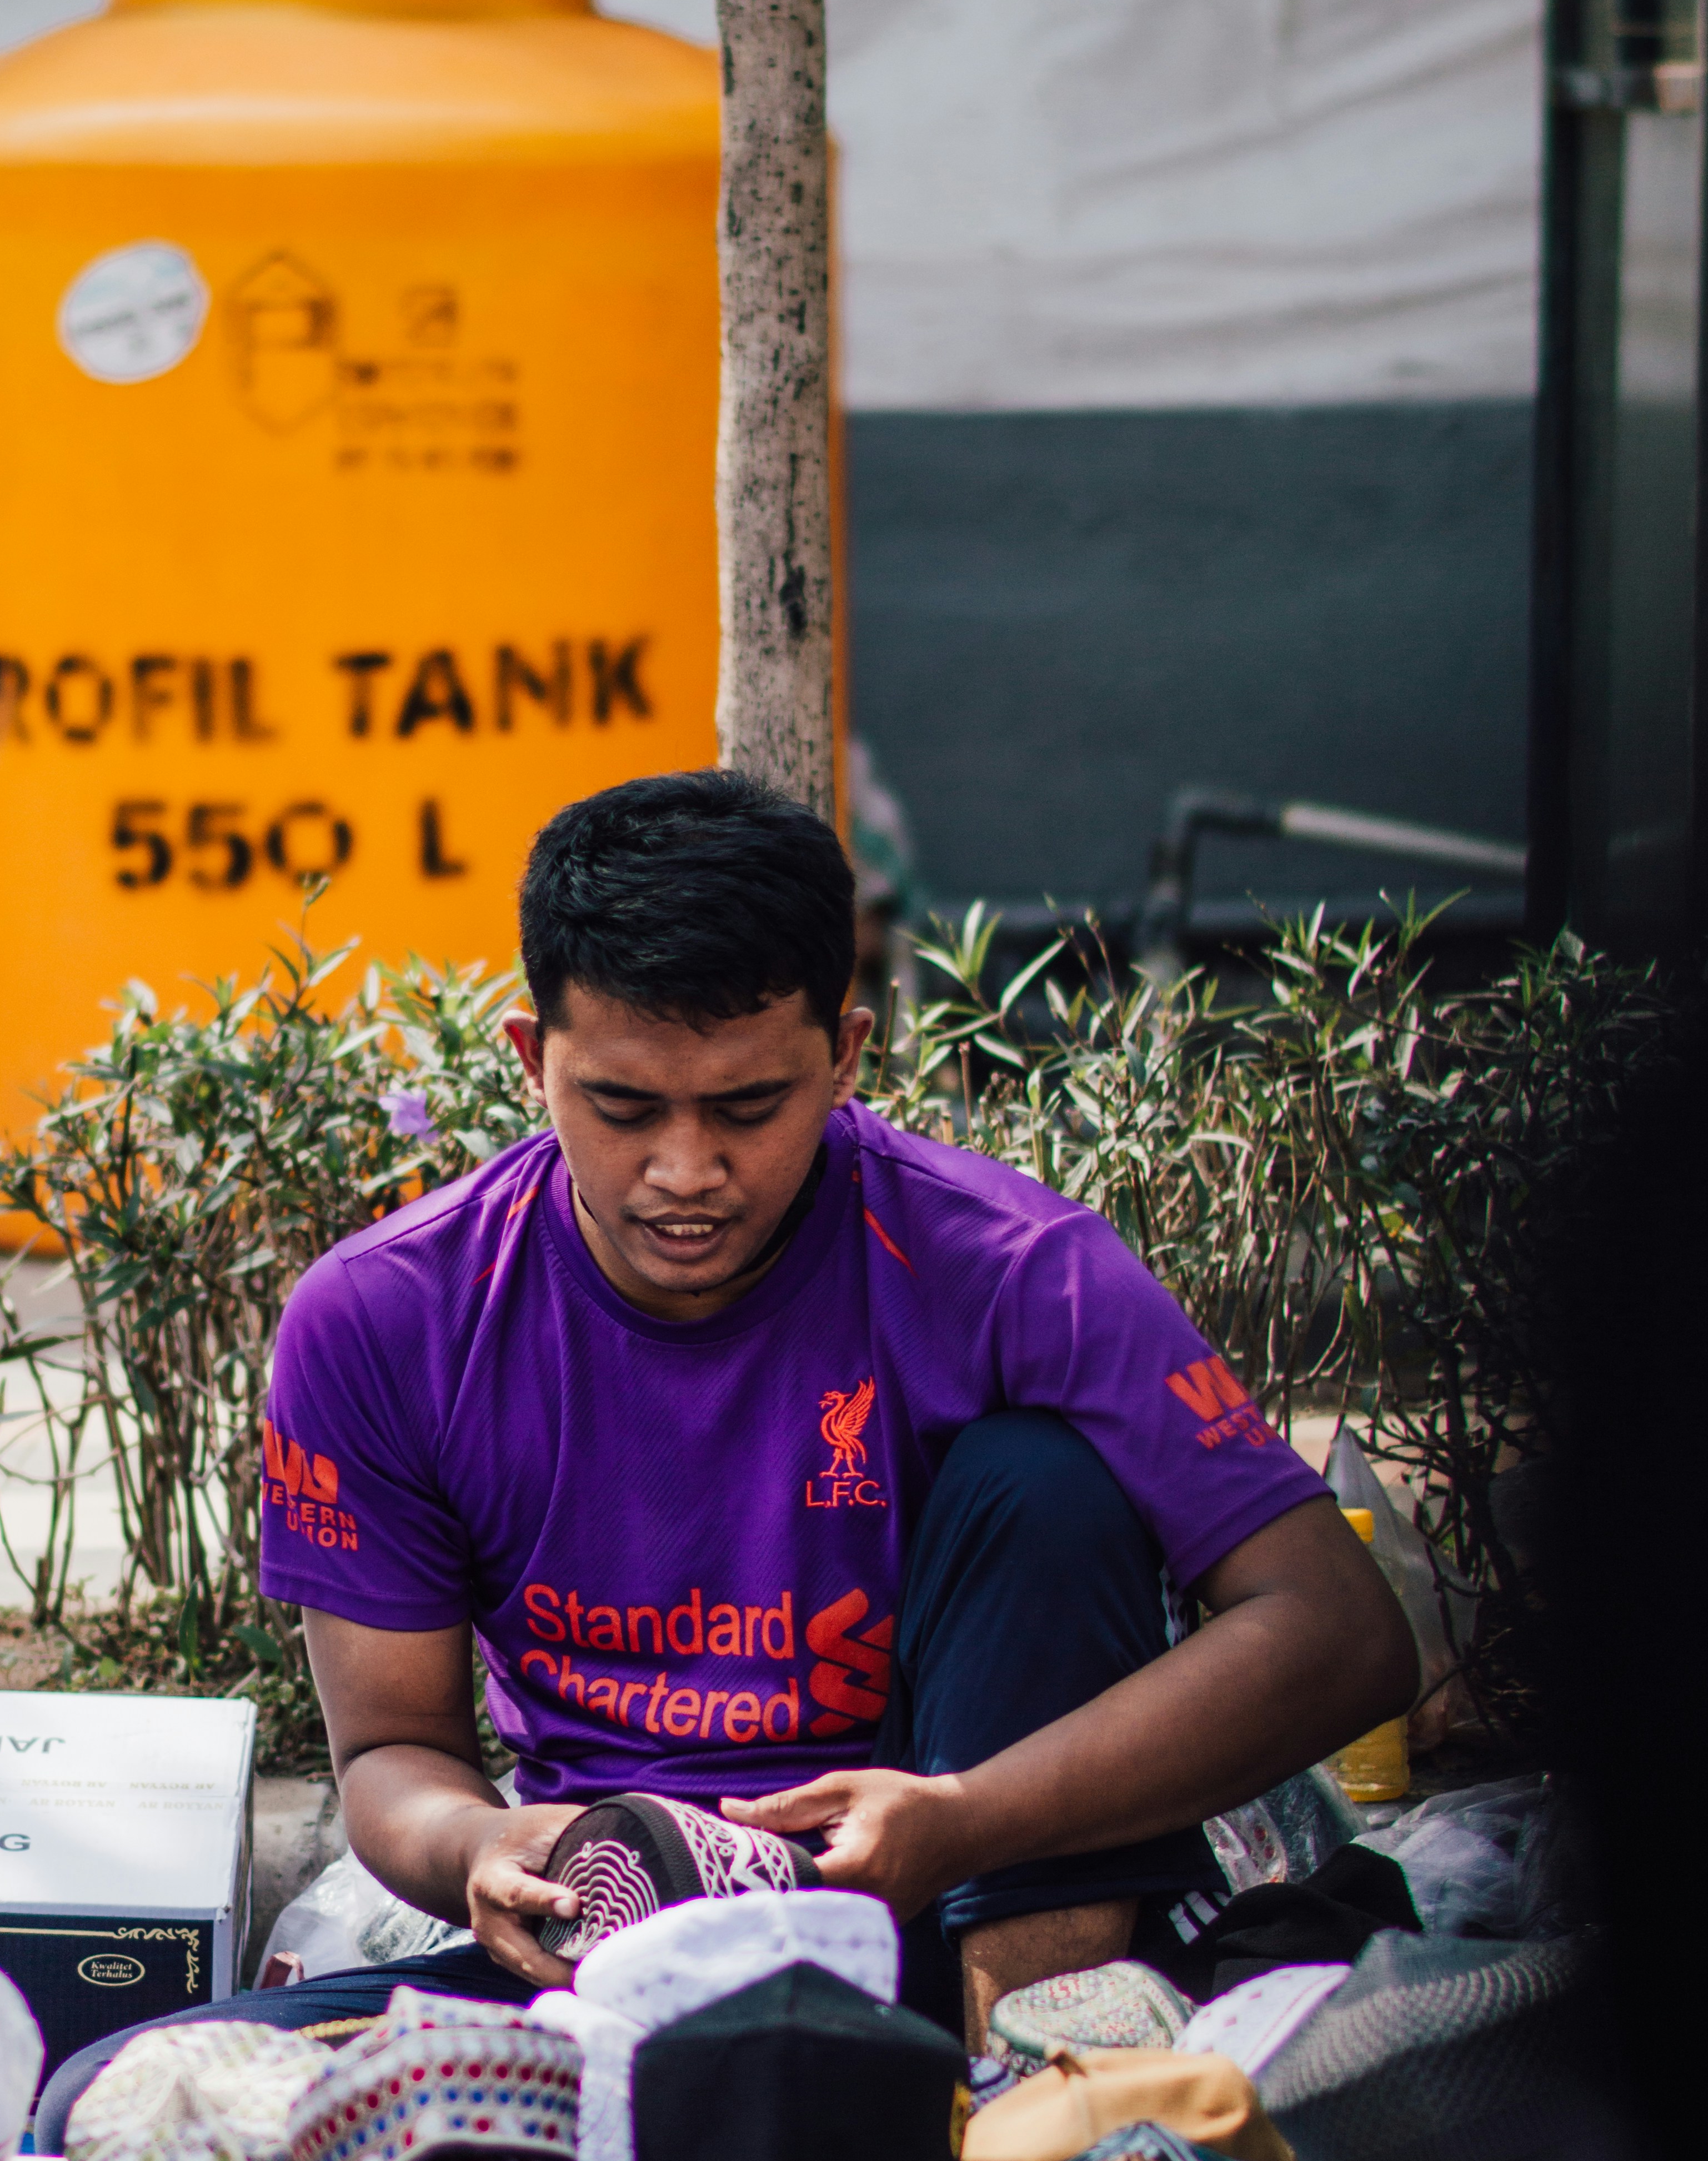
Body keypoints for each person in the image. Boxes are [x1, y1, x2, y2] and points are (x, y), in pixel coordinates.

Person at [258, 770, 1414, 2044]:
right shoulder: (382, 1316)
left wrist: (968, 1816)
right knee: (112, 2091)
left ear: (848, 1056)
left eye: (749, 1106)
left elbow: (1339, 1630)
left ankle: (1030, 2100)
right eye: (623, 1106)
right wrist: (477, 1843)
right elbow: (389, 1752)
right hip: (607, 1952)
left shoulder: (1017, 1271)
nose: (685, 1171)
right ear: (535, 1062)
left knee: (1043, 1482)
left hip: (960, 1910)